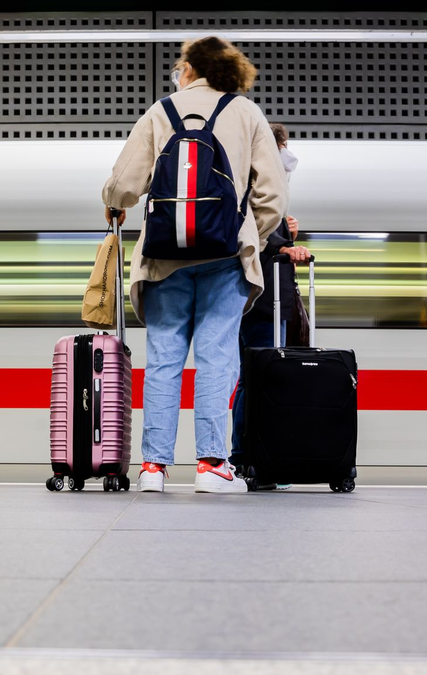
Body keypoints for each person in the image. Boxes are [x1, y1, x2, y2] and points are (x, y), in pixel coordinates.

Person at [102, 37, 288, 493]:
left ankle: (153, 470)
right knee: (216, 359)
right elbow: (273, 198)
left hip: (164, 258)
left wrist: (115, 203)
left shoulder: (160, 111)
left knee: (164, 359)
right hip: (227, 259)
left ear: (189, 68)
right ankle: (211, 466)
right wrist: (248, 238)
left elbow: (122, 186)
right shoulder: (246, 113)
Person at [229, 122, 310, 489]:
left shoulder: (251, 184)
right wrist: (283, 246)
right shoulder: (257, 184)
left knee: (253, 380)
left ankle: (249, 457)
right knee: (260, 380)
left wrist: (287, 235)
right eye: (284, 147)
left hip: (259, 298)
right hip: (264, 302)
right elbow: (253, 237)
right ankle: (250, 459)